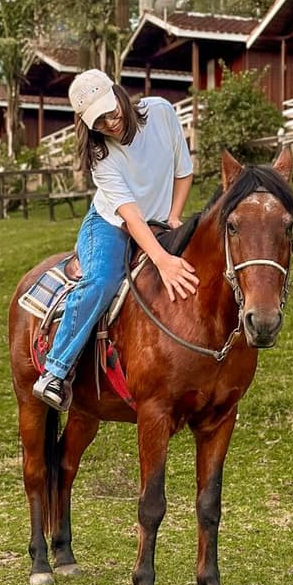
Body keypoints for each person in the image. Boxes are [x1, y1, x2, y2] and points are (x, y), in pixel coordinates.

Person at [33, 69, 198, 411]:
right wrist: (162, 260)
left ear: (120, 95)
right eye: (98, 121)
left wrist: (174, 217)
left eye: (111, 112)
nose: (109, 123)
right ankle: (55, 370)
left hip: (158, 219)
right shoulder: (101, 156)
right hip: (111, 224)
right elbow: (131, 217)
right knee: (102, 281)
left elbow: (183, 170)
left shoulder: (161, 112)